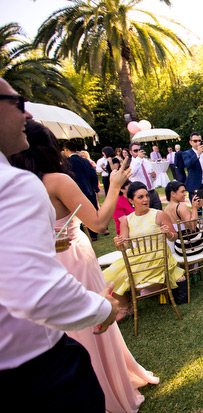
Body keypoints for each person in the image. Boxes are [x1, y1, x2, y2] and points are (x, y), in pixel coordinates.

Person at [11, 119, 159, 412]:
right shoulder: (56, 180)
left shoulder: (19, 184)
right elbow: (100, 223)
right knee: (96, 319)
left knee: (68, 328)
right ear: (49, 146)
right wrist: (115, 185)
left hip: (47, 258)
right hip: (75, 257)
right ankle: (110, 388)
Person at [0, 77, 118, 411]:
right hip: (36, 365)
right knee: (92, 333)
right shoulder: (20, 185)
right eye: (17, 103)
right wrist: (103, 308)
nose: (26, 115)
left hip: (56, 259)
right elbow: (98, 223)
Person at [103, 181, 184, 318]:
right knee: (109, 274)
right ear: (131, 200)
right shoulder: (127, 221)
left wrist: (169, 234)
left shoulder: (159, 214)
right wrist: (119, 244)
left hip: (159, 258)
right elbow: (124, 247)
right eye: (140, 197)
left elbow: (174, 237)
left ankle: (125, 306)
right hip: (138, 257)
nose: (146, 199)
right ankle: (125, 305)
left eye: (146, 196)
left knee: (123, 274)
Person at [63, 140, 101, 240]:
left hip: (76, 192)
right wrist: (95, 187)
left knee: (79, 214)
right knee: (92, 211)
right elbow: (94, 175)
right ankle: (93, 234)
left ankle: (84, 233)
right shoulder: (85, 161)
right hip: (89, 190)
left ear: (66, 149)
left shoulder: (66, 163)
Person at [128, 142, 162, 210]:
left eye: (140, 150)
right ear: (131, 152)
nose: (138, 152)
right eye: (135, 150)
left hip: (152, 191)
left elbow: (152, 176)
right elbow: (132, 173)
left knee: (158, 212)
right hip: (141, 194)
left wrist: (154, 176)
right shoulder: (132, 163)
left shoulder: (146, 161)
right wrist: (139, 158)